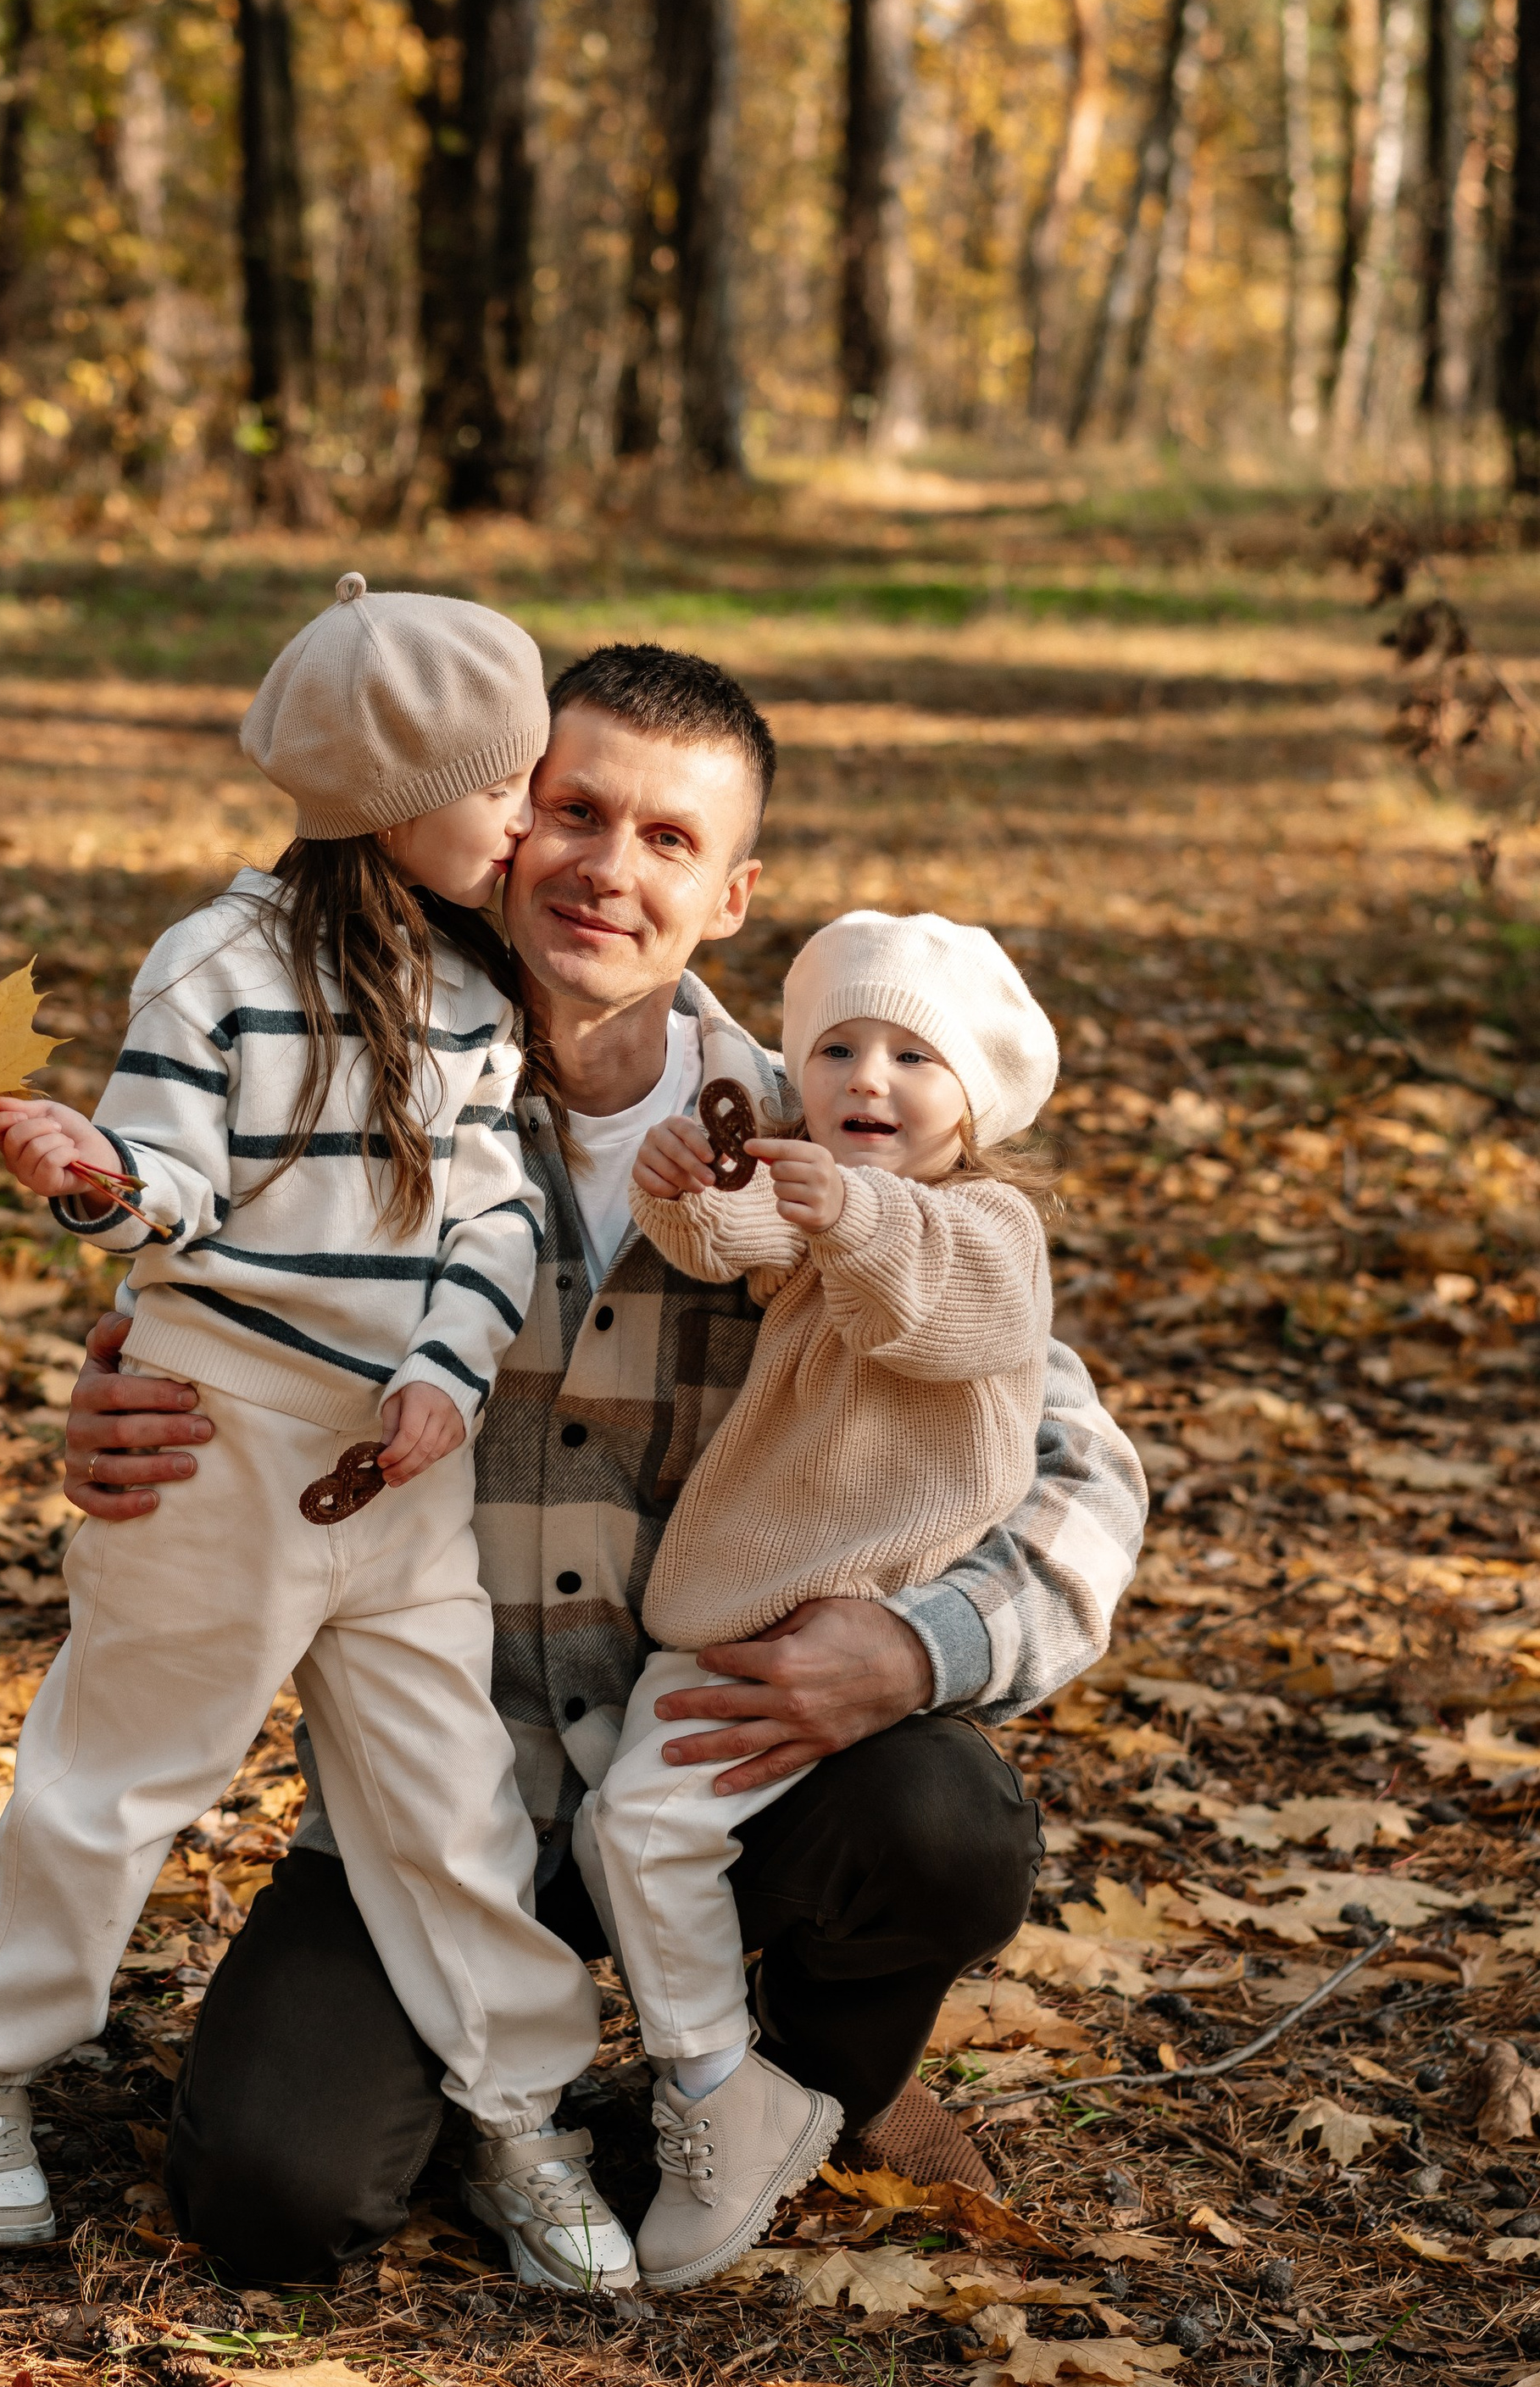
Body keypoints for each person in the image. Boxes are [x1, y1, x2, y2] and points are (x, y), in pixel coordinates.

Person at [61, 643, 1148, 2288]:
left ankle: (791, 2079)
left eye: (666, 838)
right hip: (440, 1799)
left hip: (725, 1762)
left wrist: (918, 1644)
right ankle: (544, 2096)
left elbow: (1072, 1456)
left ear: (729, 894)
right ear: (502, 826)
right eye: (574, 810)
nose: (606, 868)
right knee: (269, 2194)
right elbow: (202, 1328)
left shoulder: (814, 1136)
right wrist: (124, 1422)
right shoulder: (353, 1104)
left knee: (941, 1819)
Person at [0, 575, 637, 2295]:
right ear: (394, 790)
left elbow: (494, 1219)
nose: (527, 817)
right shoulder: (217, 964)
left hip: (400, 1464)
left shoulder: (471, 992)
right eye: (506, 782)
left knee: (445, 1799)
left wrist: (448, 1374)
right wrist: (95, 1179)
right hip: (216, 1439)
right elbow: (171, 1183)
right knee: (117, 1774)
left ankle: (518, 2107)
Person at [582, 909, 1060, 2289]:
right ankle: (721, 2085)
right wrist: (681, 1182)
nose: (869, 1076)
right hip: (740, 1615)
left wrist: (848, 1208)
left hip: (858, 1621)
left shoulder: (989, 1229)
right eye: (838, 1046)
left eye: (916, 1055)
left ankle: (757, 2080)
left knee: (672, 1827)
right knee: (634, 1834)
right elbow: (729, 1232)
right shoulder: (814, 1222)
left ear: (976, 1100)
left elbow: (953, 1309)